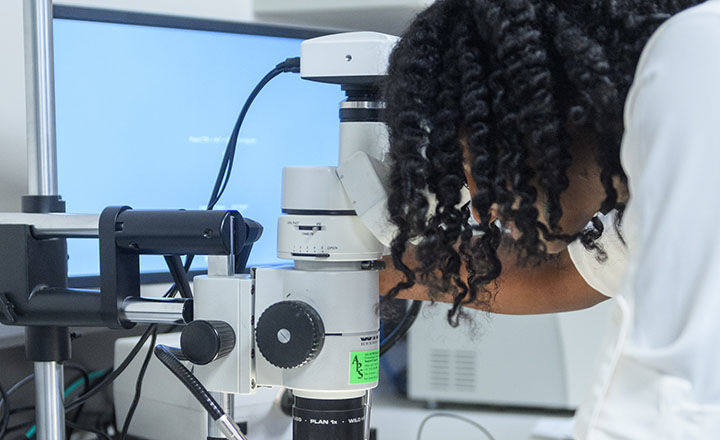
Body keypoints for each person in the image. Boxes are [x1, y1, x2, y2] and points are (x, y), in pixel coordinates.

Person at [378, 0, 720, 438]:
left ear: (537, 108)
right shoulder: (640, 195)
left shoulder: (695, 57)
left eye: (479, 164)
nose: (482, 210)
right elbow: (560, 274)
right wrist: (371, 270)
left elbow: (670, 405)